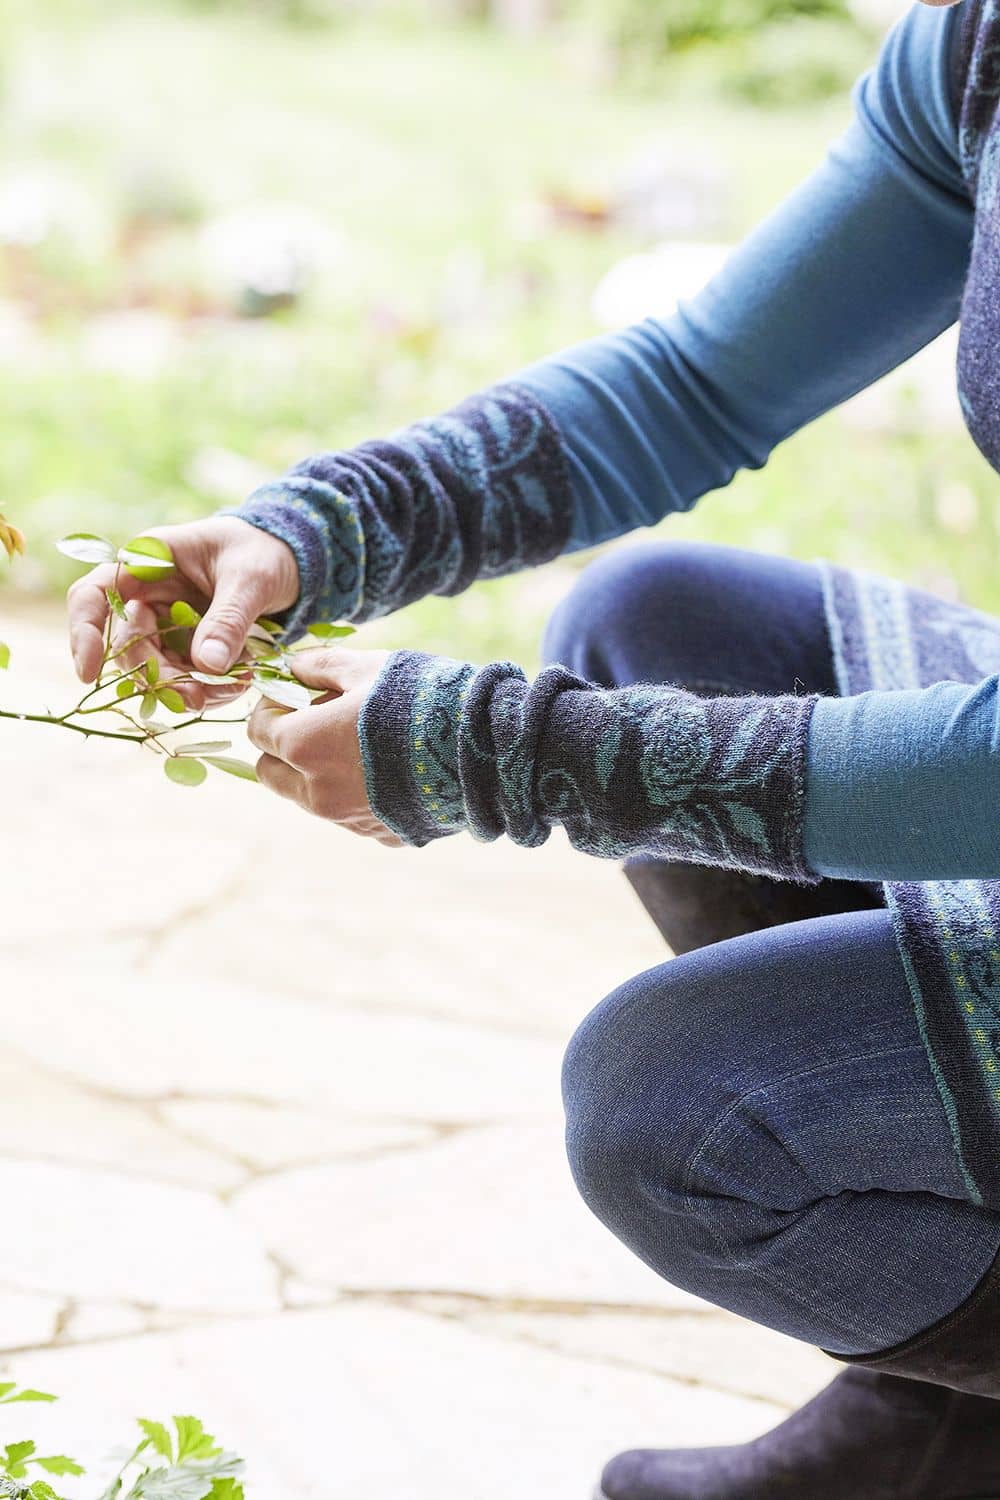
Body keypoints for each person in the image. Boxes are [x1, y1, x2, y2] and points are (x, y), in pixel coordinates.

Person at [67, 0, 1000, 1492]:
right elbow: (696, 382)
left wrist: (500, 755)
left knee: (678, 1108)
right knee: (658, 617)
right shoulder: (982, 51)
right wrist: (311, 534)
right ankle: (947, 1418)